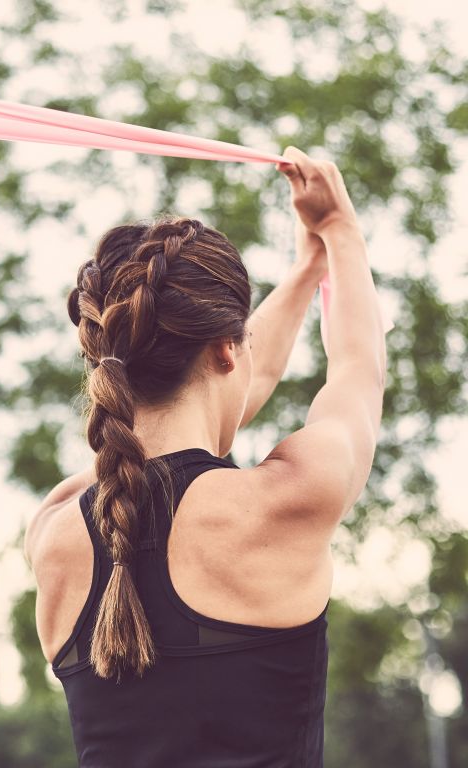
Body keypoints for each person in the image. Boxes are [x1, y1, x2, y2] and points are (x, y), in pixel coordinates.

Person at [24, 146, 387, 767]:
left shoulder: (54, 529)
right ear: (225, 348)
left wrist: (307, 270)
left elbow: (235, 384)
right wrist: (339, 230)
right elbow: (359, 370)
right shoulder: (286, 498)